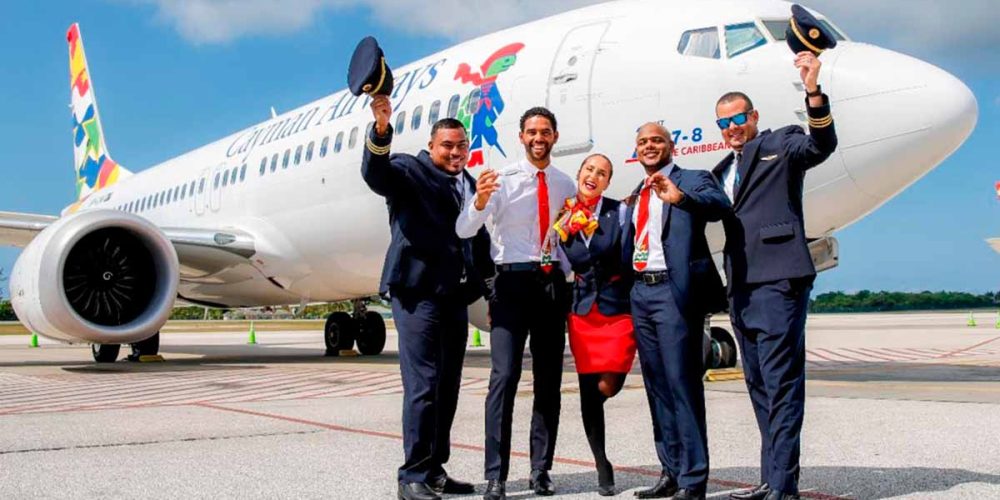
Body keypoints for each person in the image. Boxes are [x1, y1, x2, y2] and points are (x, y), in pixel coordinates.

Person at [710, 51, 837, 500]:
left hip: (779, 281)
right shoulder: (722, 171)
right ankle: (771, 480)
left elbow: (821, 145)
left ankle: (783, 487)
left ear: (753, 116)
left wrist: (813, 92)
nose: (732, 127)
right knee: (759, 385)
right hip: (741, 289)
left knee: (782, 384)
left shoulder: (781, 144)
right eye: (724, 122)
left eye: (738, 118)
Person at [362, 94, 492, 500]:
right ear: (432, 146)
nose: (455, 153)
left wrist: (489, 289)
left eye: (461, 146)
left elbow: (477, 240)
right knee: (424, 384)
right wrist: (381, 130)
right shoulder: (409, 170)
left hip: (453, 295)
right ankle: (412, 476)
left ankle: (435, 469)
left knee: (448, 385)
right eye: (447, 146)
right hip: (417, 293)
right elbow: (376, 175)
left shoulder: (469, 183)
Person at [455, 107, 575, 500]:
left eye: (545, 132)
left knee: (549, 380)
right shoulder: (501, 180)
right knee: (504, 378)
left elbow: (570, 237)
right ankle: (496, 475)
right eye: (532, 132)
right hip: (511, 283)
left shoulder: (565, 184)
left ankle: (541, 469)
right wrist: (478, 202)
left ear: (555, 136)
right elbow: (464, 229)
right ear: (521, 137)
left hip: (550, 285)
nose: (539, 138)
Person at [623, 123, 731, 500]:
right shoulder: (637, 191)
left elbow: (719, 206)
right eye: (643, 142)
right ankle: (670, 470)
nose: (649, 146)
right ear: (636, 150)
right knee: (656, 387)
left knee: (682, 384)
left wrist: (680, 198)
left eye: (657, 140)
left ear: (672, 146)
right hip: (641, 291)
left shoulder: (692, 179)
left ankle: (693, 479)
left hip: (673, 290)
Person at [554, 153, 635, 496]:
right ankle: (602, 464)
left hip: (618, 310)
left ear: (607, 182)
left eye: (602, 173)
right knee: (589, 392)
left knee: (609, 385)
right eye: (589, 169)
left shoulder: (620, 212)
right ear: (580, 173)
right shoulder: (564, 216)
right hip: (582, 312)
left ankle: (596, 423)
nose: (594, 176)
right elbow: (561, 263)